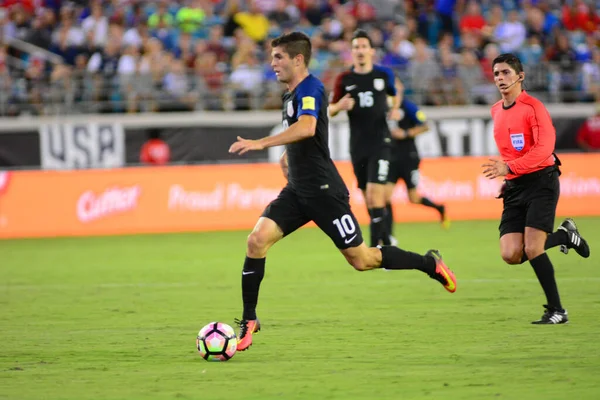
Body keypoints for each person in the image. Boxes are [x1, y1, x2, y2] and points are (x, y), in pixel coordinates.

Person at [229, 32, 457, 352]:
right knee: (256, 240)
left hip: (325, 193)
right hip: (297, 190)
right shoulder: (291, 93)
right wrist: (286, 156)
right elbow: (306, 135)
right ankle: (249, 320)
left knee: (363, 260)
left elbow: (308, 127)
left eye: (278, 57)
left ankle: (429, 264)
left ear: (298, 59)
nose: (272, 63)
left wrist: (261, 143)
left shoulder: (312, 88)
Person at [482, 53, 590, 325]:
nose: (500, 79)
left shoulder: (534, 108)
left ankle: (557, 311)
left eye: (506, 73)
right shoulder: (496, 110)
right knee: (510, 254)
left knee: (533, 248)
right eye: (496, 74)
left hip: (542, 180)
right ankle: (565, 236)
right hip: (516, 185)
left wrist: (510, 168)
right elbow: (509, 151)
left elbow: (544, 149)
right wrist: (509, 179)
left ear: (520, 76)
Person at [329, 29, 401, 247]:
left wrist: (395, 108)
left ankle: (378, 247)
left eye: (363, 46)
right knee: (368, 198)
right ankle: (386, 240)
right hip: (358, 146)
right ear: (351, 52)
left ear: (371, 51)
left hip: (381, 142)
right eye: (356, 47)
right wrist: (339, 106)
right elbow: (330, 110)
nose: (360, 51)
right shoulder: (345, 79)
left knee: (375, 194)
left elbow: (395, 91)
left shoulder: (383, 74)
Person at [386, 79, 449, 245]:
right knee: (384, 197)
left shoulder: (409, 107)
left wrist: (406, 133)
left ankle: (439, 208)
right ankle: (389, 236)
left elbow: (425, 126)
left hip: (409, 158)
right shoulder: (386, 107)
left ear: (401, 89)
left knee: (413, 198)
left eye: (396, 88)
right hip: (390, 158)